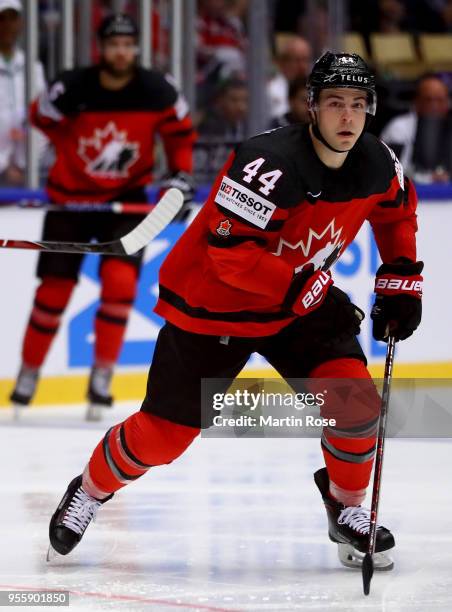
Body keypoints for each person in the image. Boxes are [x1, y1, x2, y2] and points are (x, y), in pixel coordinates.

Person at [47, 53, 423, 570]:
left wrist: (402, 281)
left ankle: (347, 510)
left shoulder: (378, 161)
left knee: (356, 408)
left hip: (298, 302)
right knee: (163, 438)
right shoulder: (266, 163)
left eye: (358, 105)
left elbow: (397, 211)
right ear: (311, 106)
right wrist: (295, 285)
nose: (347, 117)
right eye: (335, 103)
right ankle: (89, 490)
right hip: (215, 306)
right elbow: (229, 257)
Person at [9, 13, 196, 421]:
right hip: (70, 202)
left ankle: (102, 376)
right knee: (52, 293)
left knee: (120, 284)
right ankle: (28, 374)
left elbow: (180, 134)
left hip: (124, 202)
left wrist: (179, 176)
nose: (121, 52)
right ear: (101, 48)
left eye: (128, 44)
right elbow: (42, 117)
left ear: (135, 48)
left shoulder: (157, 89)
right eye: (114, 45)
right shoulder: (73, 85)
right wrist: (70, 156)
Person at [0, 0, 46, 186]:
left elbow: (43, 120)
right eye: (2, 19)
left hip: (28, 172)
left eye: (13, 18)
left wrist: (26, 164)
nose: (8, 25)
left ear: (21, 23)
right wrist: (3, 166)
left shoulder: (33, 67)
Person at [380, 73, 450, 181]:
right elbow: (391, 171)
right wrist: (428, 178)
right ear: (417, 101)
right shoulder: (398, 127)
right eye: (428, 100)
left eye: (439, 100)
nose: (434, 106)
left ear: (447, 103)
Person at [195, 78, 248, 183]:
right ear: (220, 100)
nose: (241, 107)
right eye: (234, 100)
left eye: (245, 100)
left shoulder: (247, 125)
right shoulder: (207, 126)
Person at [268, 34, 312, 119]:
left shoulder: (316, 90)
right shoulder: (270, 91)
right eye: (297, 60)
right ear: (282, 62)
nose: (303, 66)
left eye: (305, 60)